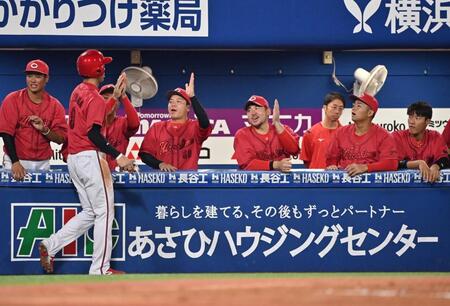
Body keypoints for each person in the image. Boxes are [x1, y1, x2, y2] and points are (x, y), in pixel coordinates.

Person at [38, 49, 135, 275]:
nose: (105, 69)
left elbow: (94, 114)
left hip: (74, 159)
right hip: (90, 157)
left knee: (91, 212)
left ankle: (51, 244)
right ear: (99, 70)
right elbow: (93, 133)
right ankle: (100, 269)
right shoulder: (93, 96)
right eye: (103, 65)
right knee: (105, 212)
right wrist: (118, 156)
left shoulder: (79, 90)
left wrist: (114, 97)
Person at [0, 59, 67, 180]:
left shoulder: (55, 105)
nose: (33, 80)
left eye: (38, 76)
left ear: (46, 78)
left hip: (42, 162)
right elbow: (6, 133)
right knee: (14, 197)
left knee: (40, 198)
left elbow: (61, 138)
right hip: (16, 160)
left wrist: (45, 130)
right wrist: (15, 162)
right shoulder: (12, 99)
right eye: (29, 76)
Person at [139, 73, 212, 171]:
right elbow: (144, 154)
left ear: (187, 108)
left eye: (179, 101)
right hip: (163, 182)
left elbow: (205, 124)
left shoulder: (194, 126)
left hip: (188, 181)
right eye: (171, 101)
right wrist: (160, 164)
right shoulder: (157, 127)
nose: (173, 104)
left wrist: (192, 97)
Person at [326, 93, 398, 176]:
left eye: (358, 106)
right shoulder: (340, 132)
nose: (353, 108)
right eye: (354, 105)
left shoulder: (384, 136)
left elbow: (391, 163)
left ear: (370, 113)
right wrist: (331, 166)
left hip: (372, 186)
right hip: (345, 184)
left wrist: (366, 167)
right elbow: (331, 160)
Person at [233, 95, 300, 172]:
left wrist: (277, 124)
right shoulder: (242, 134)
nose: (253, 113)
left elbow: (294, 150)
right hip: (255, 182)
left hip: (281, 182)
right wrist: (276, 165)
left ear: (268, 111)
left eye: (257, 108)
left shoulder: (283, 129)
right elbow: (247, 164)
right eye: (249, 110)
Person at [392, 102, 448, 183]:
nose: (411, 122)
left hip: (430, 188)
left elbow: (444, 158)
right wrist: (418, 163)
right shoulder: (397, 137)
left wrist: (436, 166)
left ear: (427, 121)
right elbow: (392, 162)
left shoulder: (435, 136)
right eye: (410, 117)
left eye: (417, 118)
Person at [98, 84, 140, 171]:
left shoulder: (122, 123)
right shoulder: (92, 124)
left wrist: (123, 96)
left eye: (114, 98)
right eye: (105, 98)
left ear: (118, 104)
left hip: (117, 173)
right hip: (94, 174)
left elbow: (135, 124)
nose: (110, 101)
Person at [300, 92, 345, 169]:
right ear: (325, 107)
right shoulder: (310, 133)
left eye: (340, 108)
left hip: (337, 179)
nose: (337, 111)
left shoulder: (345, 134)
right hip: (315, 179)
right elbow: (307, 161)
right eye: (334, 107)